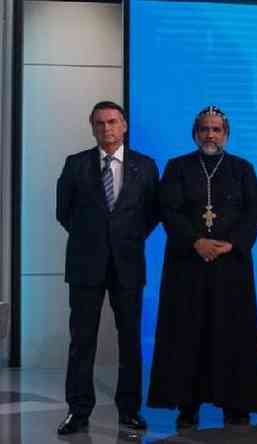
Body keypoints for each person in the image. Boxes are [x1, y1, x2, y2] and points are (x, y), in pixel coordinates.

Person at [147, 105, 257, 426]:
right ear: (195, 133)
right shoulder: (177, 167)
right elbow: (168, 210)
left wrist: (232, 243)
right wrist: (195, 242)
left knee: (233, 336)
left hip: (231, 267)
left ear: (226, 134)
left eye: (216, 129)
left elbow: (254, 212)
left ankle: (235, 403)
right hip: (188, 265)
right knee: (187, 335)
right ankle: (188, 403)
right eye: (204, 129)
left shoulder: (242, 168)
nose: (210, 135)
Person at [55, 100, 159, 435]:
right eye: (99, 123)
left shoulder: (145, 166)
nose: (107, 129)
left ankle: (129, 410)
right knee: (81, 341)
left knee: (129, 341)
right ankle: (78, 411)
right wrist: (94, 239)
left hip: (128, 264)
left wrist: (123, 239)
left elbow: (152, 213)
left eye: (113, 122)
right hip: (86, 264)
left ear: (124, 125)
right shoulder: (76, 165)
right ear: (92, 127)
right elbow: (64, 212)